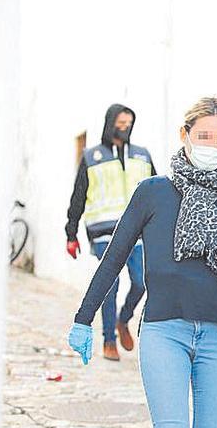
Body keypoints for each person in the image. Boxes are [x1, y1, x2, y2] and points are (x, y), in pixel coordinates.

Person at [67, 97, 217, 428]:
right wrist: (83, 318)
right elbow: (114, 259)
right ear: (185, 135)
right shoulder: (153, 192)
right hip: (164, 332)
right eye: (204, 136)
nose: (212, 145)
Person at [64, 104, 155, 360]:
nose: (124, 128)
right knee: (110, 285)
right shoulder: (92, 156)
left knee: (141, 281)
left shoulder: (143, 155)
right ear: (110, 123)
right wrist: (71, 234)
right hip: (103, 233)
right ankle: (108, 341)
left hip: (137, 233)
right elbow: (78, 197)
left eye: (128, 124)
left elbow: (159, 192)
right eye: (120, 123)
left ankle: (123, 319)